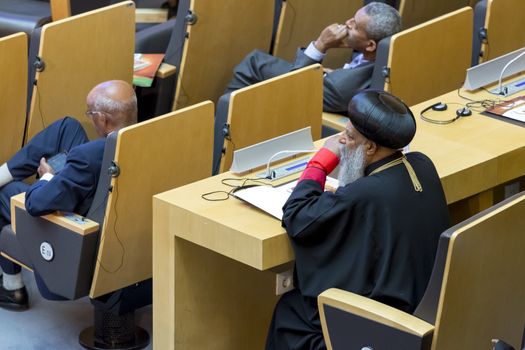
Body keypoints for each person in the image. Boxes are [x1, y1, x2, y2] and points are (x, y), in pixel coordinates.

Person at [265, 90, 450, 350]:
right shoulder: (422, 165)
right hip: (426, 306)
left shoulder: (363, 195)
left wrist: (320, 163)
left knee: (292, 312)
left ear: (371, 147)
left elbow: (298, 216)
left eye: (349, 137)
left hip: (385, 327)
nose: (341, 141)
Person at [0, 80, 137, 310]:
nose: (90, 118)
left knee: (6, 193)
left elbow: (35, 204)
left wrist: (48, 177)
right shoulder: (142, 139)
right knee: (67, 126)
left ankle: (11, 287)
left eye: (91, 113)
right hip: (97, 189)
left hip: (77, 222)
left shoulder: (86, 157)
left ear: (102, 119)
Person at [225, 2, 401, 113]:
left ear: (370, 45)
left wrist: (320, 45)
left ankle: (222, 125)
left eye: (355, 26)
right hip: (333, 86)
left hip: (310, 102)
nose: (348, 23)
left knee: (255, 62)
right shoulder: (388, 55)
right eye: (352, 18)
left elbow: (295, 88)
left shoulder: (340, 87)